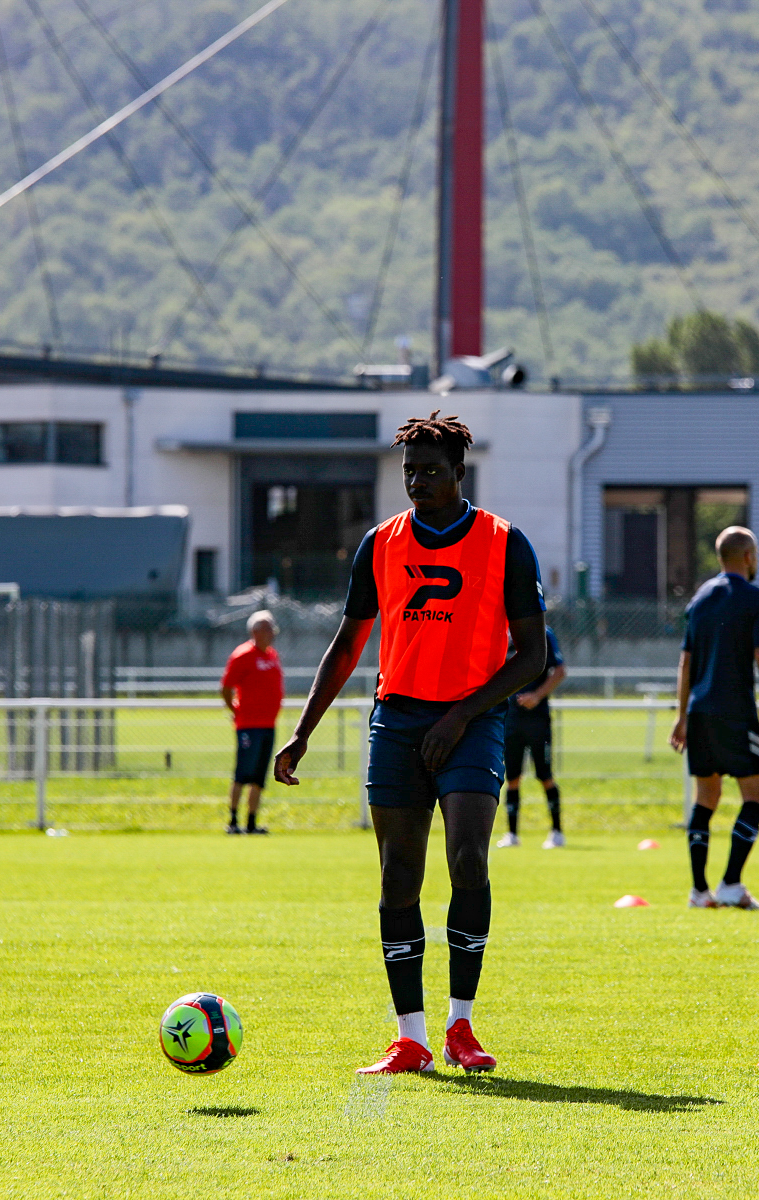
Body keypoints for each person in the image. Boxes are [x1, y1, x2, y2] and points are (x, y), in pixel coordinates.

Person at [274, 411, 547, 1076]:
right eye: (409, 471)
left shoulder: (505, 543)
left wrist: (460, 715)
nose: (417, 481)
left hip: (473, 723)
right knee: (399, 876)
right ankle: (411, 1037)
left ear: (459, 472)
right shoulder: (380, 543)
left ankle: (461, 1025)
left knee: (468, 860)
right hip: (395, 722)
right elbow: (347, 645)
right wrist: (302, 731)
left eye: (430, 470)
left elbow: (532, 655)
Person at [668, 527, 759, 910]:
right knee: (757, 796)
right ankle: (732, 883)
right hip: (735, 711)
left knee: (707, 798)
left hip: (699, 713)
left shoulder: (699, 600)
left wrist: (681, 716)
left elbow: (686, 662)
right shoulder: (755, 598)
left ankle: (699, 891)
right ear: (749, 556)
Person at [497, 626, 568, 849]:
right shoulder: (499, 632)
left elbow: (560, 671)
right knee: (513, 778)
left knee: (545, 775)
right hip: (510, 719)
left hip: (538, 721)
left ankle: (557, 832)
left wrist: (536, 696)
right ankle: (512, 834)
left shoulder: (543, 633)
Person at [220, 610, 282, 835]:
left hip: (268, 725)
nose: (272, 633)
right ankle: (233, 821)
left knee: (259, 776)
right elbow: (226, 688)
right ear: (255, 631)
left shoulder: (272, 655)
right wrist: (235, 710)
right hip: (248, 725)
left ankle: (252, 822)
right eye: (267, 628)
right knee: (242, 773)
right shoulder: (243, 655)